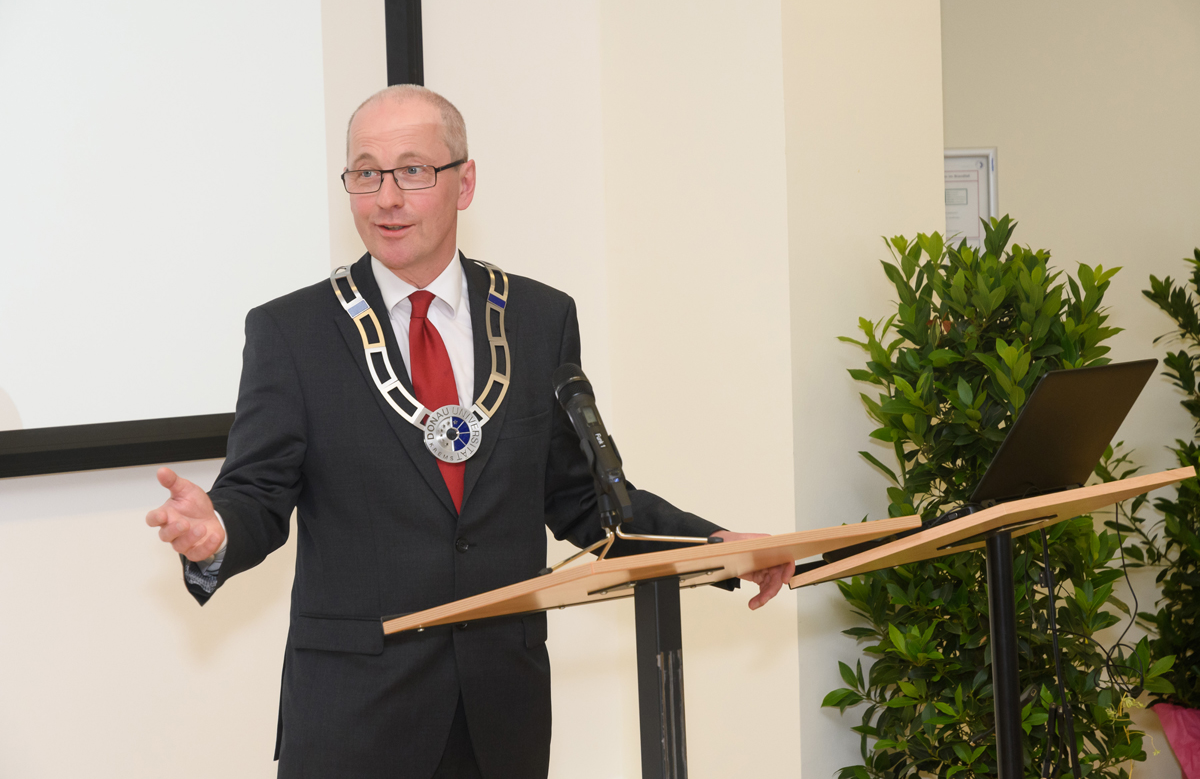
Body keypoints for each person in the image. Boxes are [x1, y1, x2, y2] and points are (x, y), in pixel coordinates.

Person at [145, 85, 795, 779]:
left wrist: (715, 546)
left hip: (499, 715)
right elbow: (258, 492)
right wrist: (217, 534)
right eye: (366, 173)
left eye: (414, 170)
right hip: (354, 718)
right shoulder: (293, 332)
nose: (387, 197)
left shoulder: (538, 318)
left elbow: (583, 498)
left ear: (466, 181)